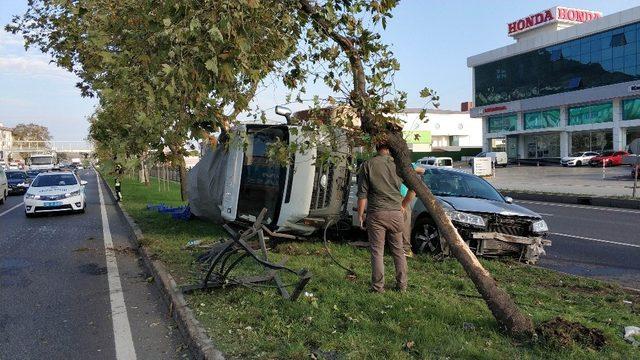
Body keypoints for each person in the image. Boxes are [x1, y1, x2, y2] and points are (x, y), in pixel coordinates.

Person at [357, 143, 408, 293]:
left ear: (376, 147)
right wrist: (403, 205)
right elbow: (414, 188)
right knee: (398, 250)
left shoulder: (368, 165)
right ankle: (402, 285)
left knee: (377, 251)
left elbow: (362, 195)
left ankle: (378, 287)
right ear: (390, 148)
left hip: (377, 214)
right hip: (396, 214)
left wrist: (360, 214)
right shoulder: (398, 165)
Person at [399, 165, 425, 258]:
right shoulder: (401, 165)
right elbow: (422, 170)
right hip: (402, 196)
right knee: (405, 222)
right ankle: (405, 249)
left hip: (394, 196)